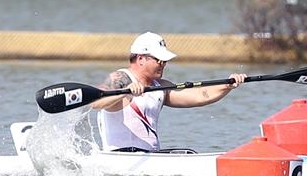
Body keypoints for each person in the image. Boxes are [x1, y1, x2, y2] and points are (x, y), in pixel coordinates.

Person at [92, 32, 247, 152]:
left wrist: (228, 84)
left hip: (150, 158)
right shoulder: (120, 78)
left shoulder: (160, 87)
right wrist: (125, 92)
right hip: (119, 158)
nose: (163, 64)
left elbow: (200, 96)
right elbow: (96, 102)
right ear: (140, 59)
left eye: (164, 61)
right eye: (158, 60)